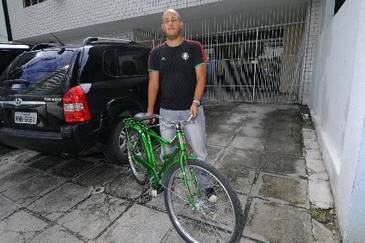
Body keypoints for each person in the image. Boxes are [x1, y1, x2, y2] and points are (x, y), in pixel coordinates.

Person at [146, 9, 216, 202]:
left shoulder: (194, 48)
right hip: (166, 113)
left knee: (199, 152)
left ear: (181, 24)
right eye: (166, 21)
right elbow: (153, 84)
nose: (170, 23)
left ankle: (207, 187)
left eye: (174, 20)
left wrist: (195, 102)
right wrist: (150, 110)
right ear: (162, 26)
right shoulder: (156, 53)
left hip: (191, 111)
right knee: (167, 154)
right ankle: (165, 183)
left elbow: (201, 77)